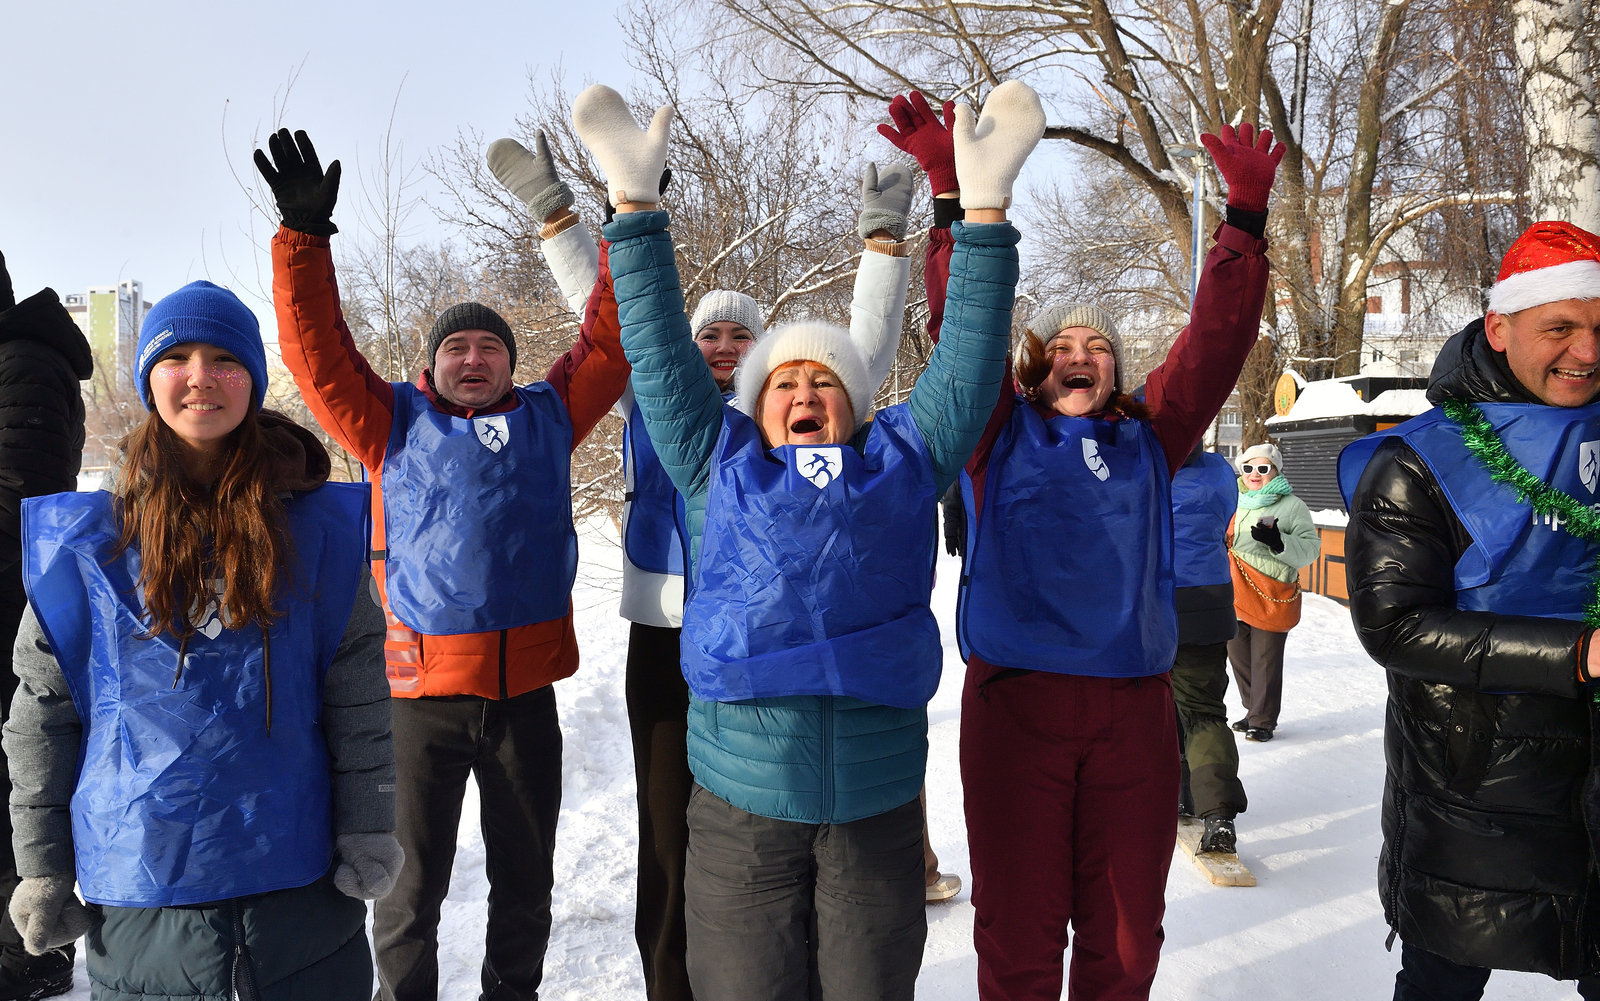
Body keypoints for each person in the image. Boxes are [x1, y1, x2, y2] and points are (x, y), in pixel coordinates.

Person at [576, 79, 1039, 998]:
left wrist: (981, 218)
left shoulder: (906, 461)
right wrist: (633, 210)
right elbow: (662, 354)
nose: (801, 393)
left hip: (874, 812)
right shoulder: (718, 459)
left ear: (857, 406)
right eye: (781, 382)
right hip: (742, 811)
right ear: (754, 405)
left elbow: (971, 360)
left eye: (823, 381)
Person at [487, 133, 923, 995]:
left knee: (782, 821)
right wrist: (561, 218)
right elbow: (612, 313)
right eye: (710, 333)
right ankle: (674, 982)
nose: (724, 345)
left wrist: (882, 243)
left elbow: (864, 351)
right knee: (674, 837)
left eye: (739, 334)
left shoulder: (788, 410)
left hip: (774, 660)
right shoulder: (671, 403)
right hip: (667, 636)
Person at [909, 101, 1280, 996]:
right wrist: (951, 198)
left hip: (1129, 713)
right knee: (1020, 929)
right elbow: (963, 339)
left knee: (1124, 933)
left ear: (1116, 369)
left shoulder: (1152, 437)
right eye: (1063, 344)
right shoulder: (998, 430)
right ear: (1036, 366)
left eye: (1099, 346)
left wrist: (1243, 221)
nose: (1082, 354)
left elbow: (1216, 343)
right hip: (1016, 708)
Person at [257, 127, 631, 1001]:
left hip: (526, 699)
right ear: (432, 365)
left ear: (510, 363)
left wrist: (627, 233)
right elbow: (317, 355)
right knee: (409, 889)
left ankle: (513, 992)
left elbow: (610, 345)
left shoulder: (546, 418)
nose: (473, 358)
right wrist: (303, 244)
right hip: (418, 701)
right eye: (456, 349)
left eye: (489, 348)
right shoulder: (390, 422)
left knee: (526, 880)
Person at [5, 281, 397, 999]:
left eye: (224, 358)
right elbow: (42, 712)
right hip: (144, 904)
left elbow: (358, 690)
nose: (200, 376)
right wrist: (42, 863)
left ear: (252, 376)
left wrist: (370, 822)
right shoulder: (87, 548)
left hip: (300, 899)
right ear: (148, 377)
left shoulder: (317, 534)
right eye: (177, 356)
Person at [1341, 220, 1600, 999]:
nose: (1586, 352)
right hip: (1475, 783)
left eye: (1599, 329)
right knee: (1444, 977)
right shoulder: (1415, 460)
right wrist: (1578, 654)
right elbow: (1395, 625)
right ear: (1499, 326)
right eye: (1560, 327)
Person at [0, 253, 92, 1000]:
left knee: (18, 782)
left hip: (11, 618)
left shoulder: (25, 362)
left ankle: (31, 956)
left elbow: (19, 498)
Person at [1169, 441, 1249, 854]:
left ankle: (1176, 792)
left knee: (1156, 707)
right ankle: (1216, 810)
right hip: (1210, 600)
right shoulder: (1220, 471)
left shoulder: (1144, 469)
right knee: (1203, 710)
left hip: (1155, 602)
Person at [1226, 442, 1320, 742]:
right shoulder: (1234, 500)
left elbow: (1311, 549)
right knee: (1238, 655)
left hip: (1271, 592)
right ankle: (1253, 709)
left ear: (1275, 471)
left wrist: (1279, 542)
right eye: (1249, 467)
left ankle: (1263, 720)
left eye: (1263, 468)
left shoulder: (1292, 506)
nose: (1255, 474)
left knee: (1265, 658)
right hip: (1235, 589)